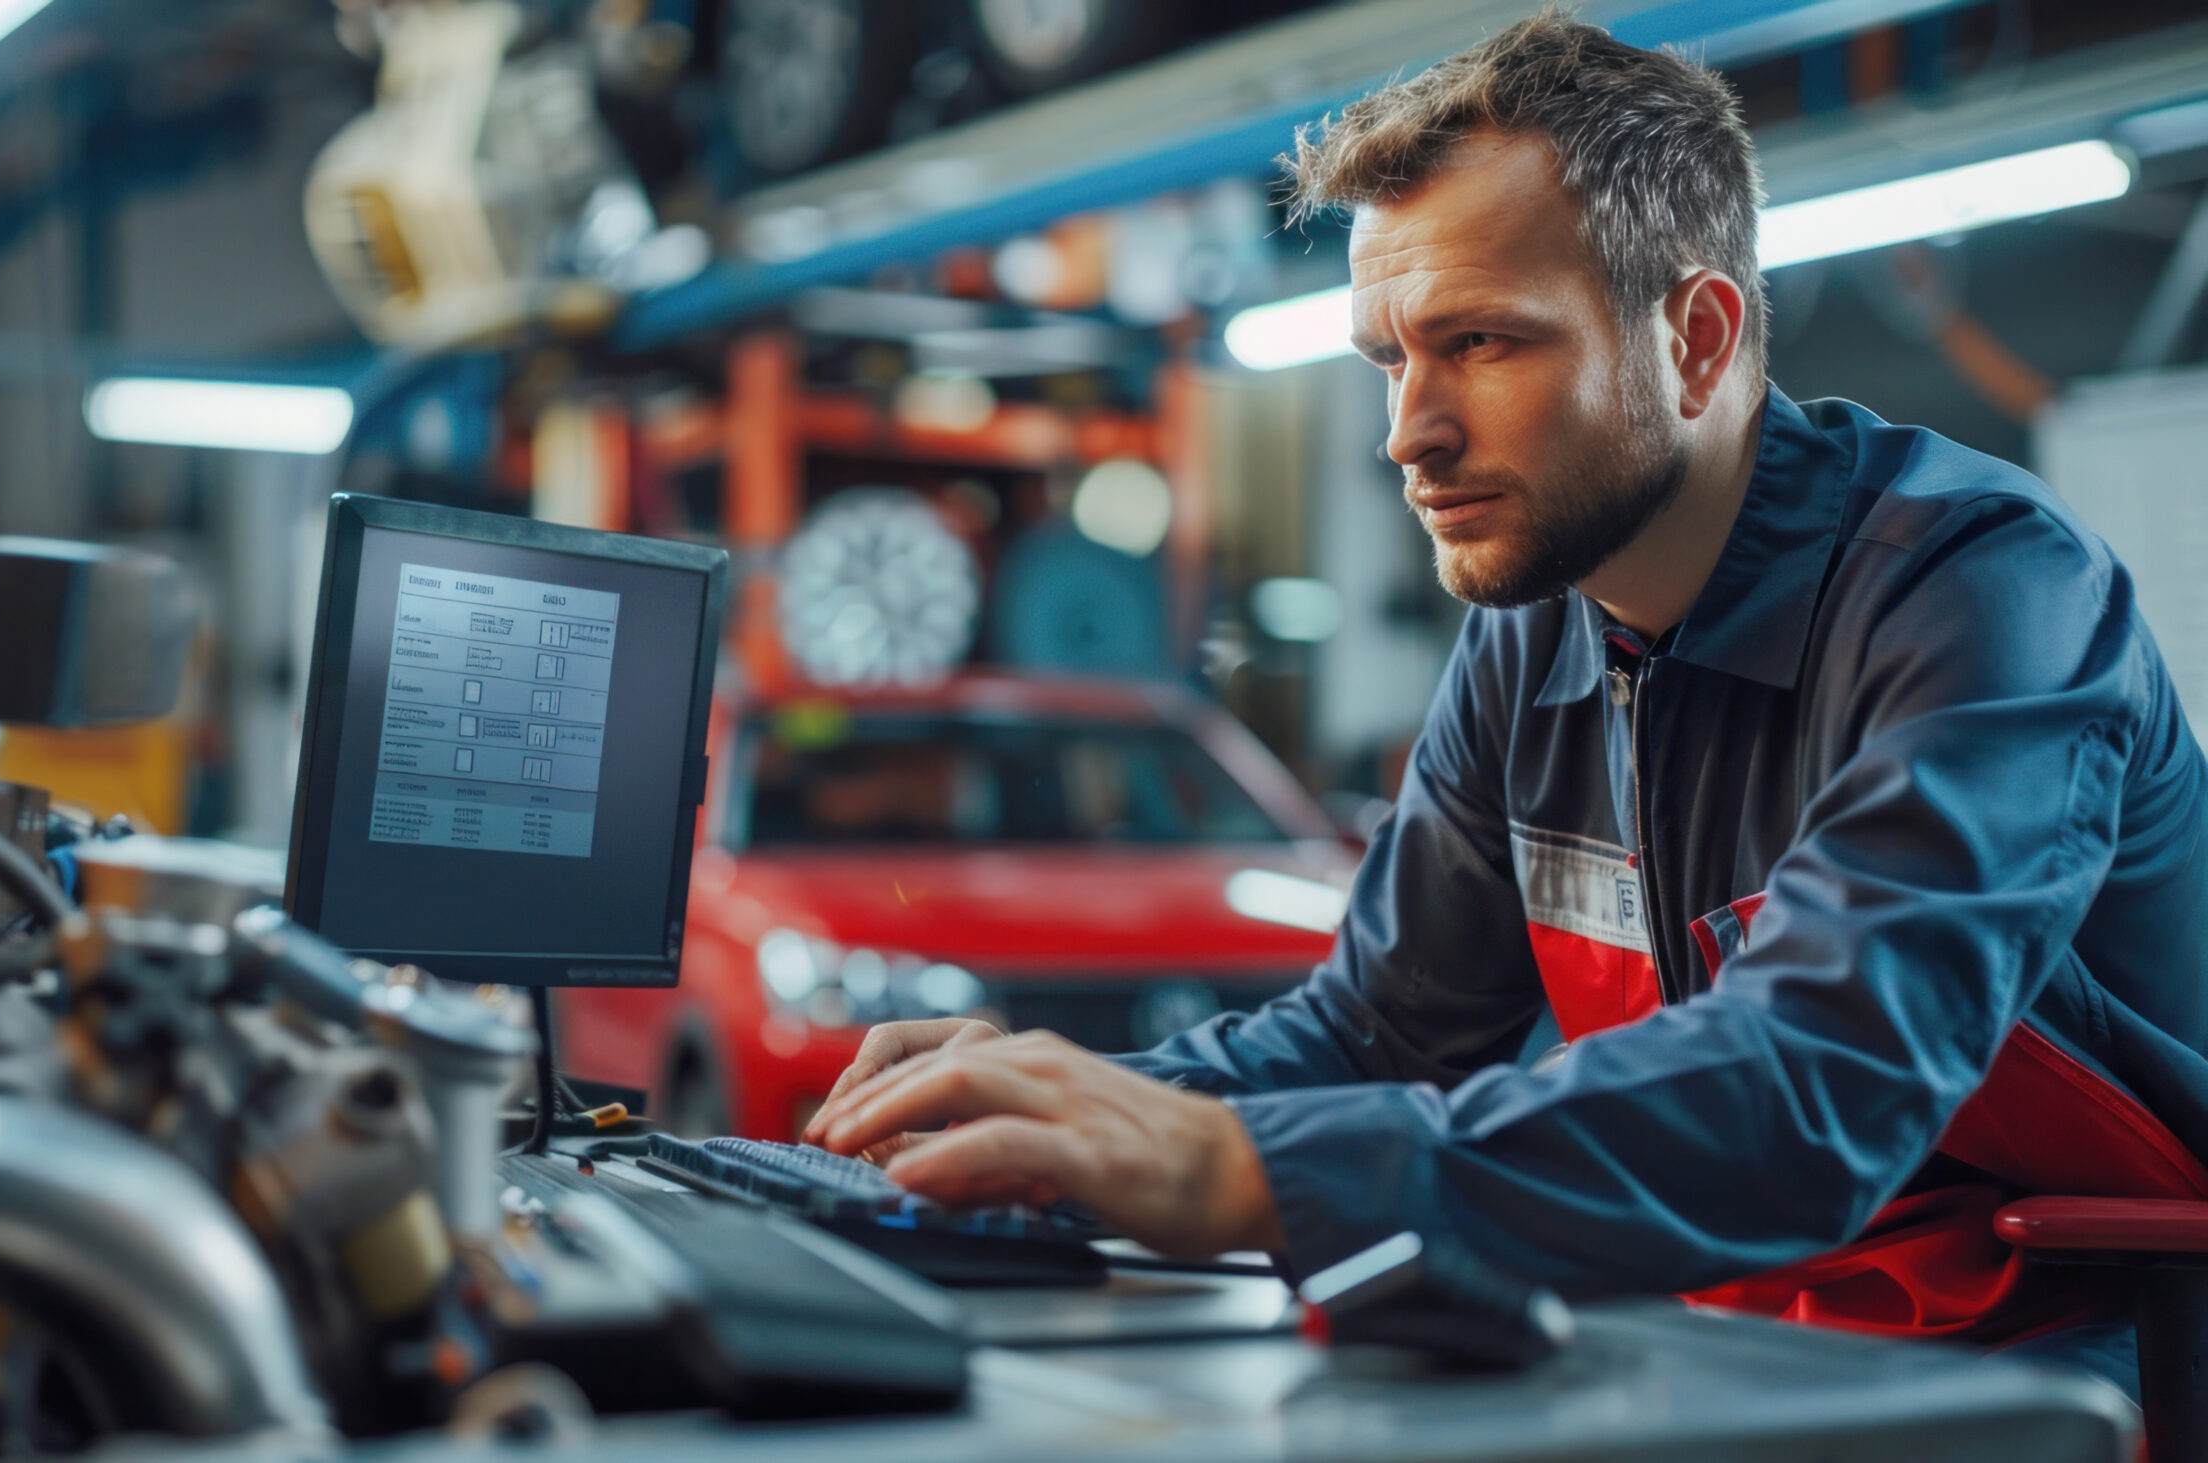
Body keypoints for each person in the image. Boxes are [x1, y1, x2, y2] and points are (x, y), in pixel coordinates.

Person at [802, 12, 2208, 1397]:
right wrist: (1072, 1112)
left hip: (2075, 1333)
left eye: (1479, 342)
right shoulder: (1537, 629)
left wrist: (1231, 1172)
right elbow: (1378, 1035)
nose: (1407, 431)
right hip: (1750, 1315)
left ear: (1699, 340)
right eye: (1388, 358)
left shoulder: (1984, 598)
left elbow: (1820, 1081)